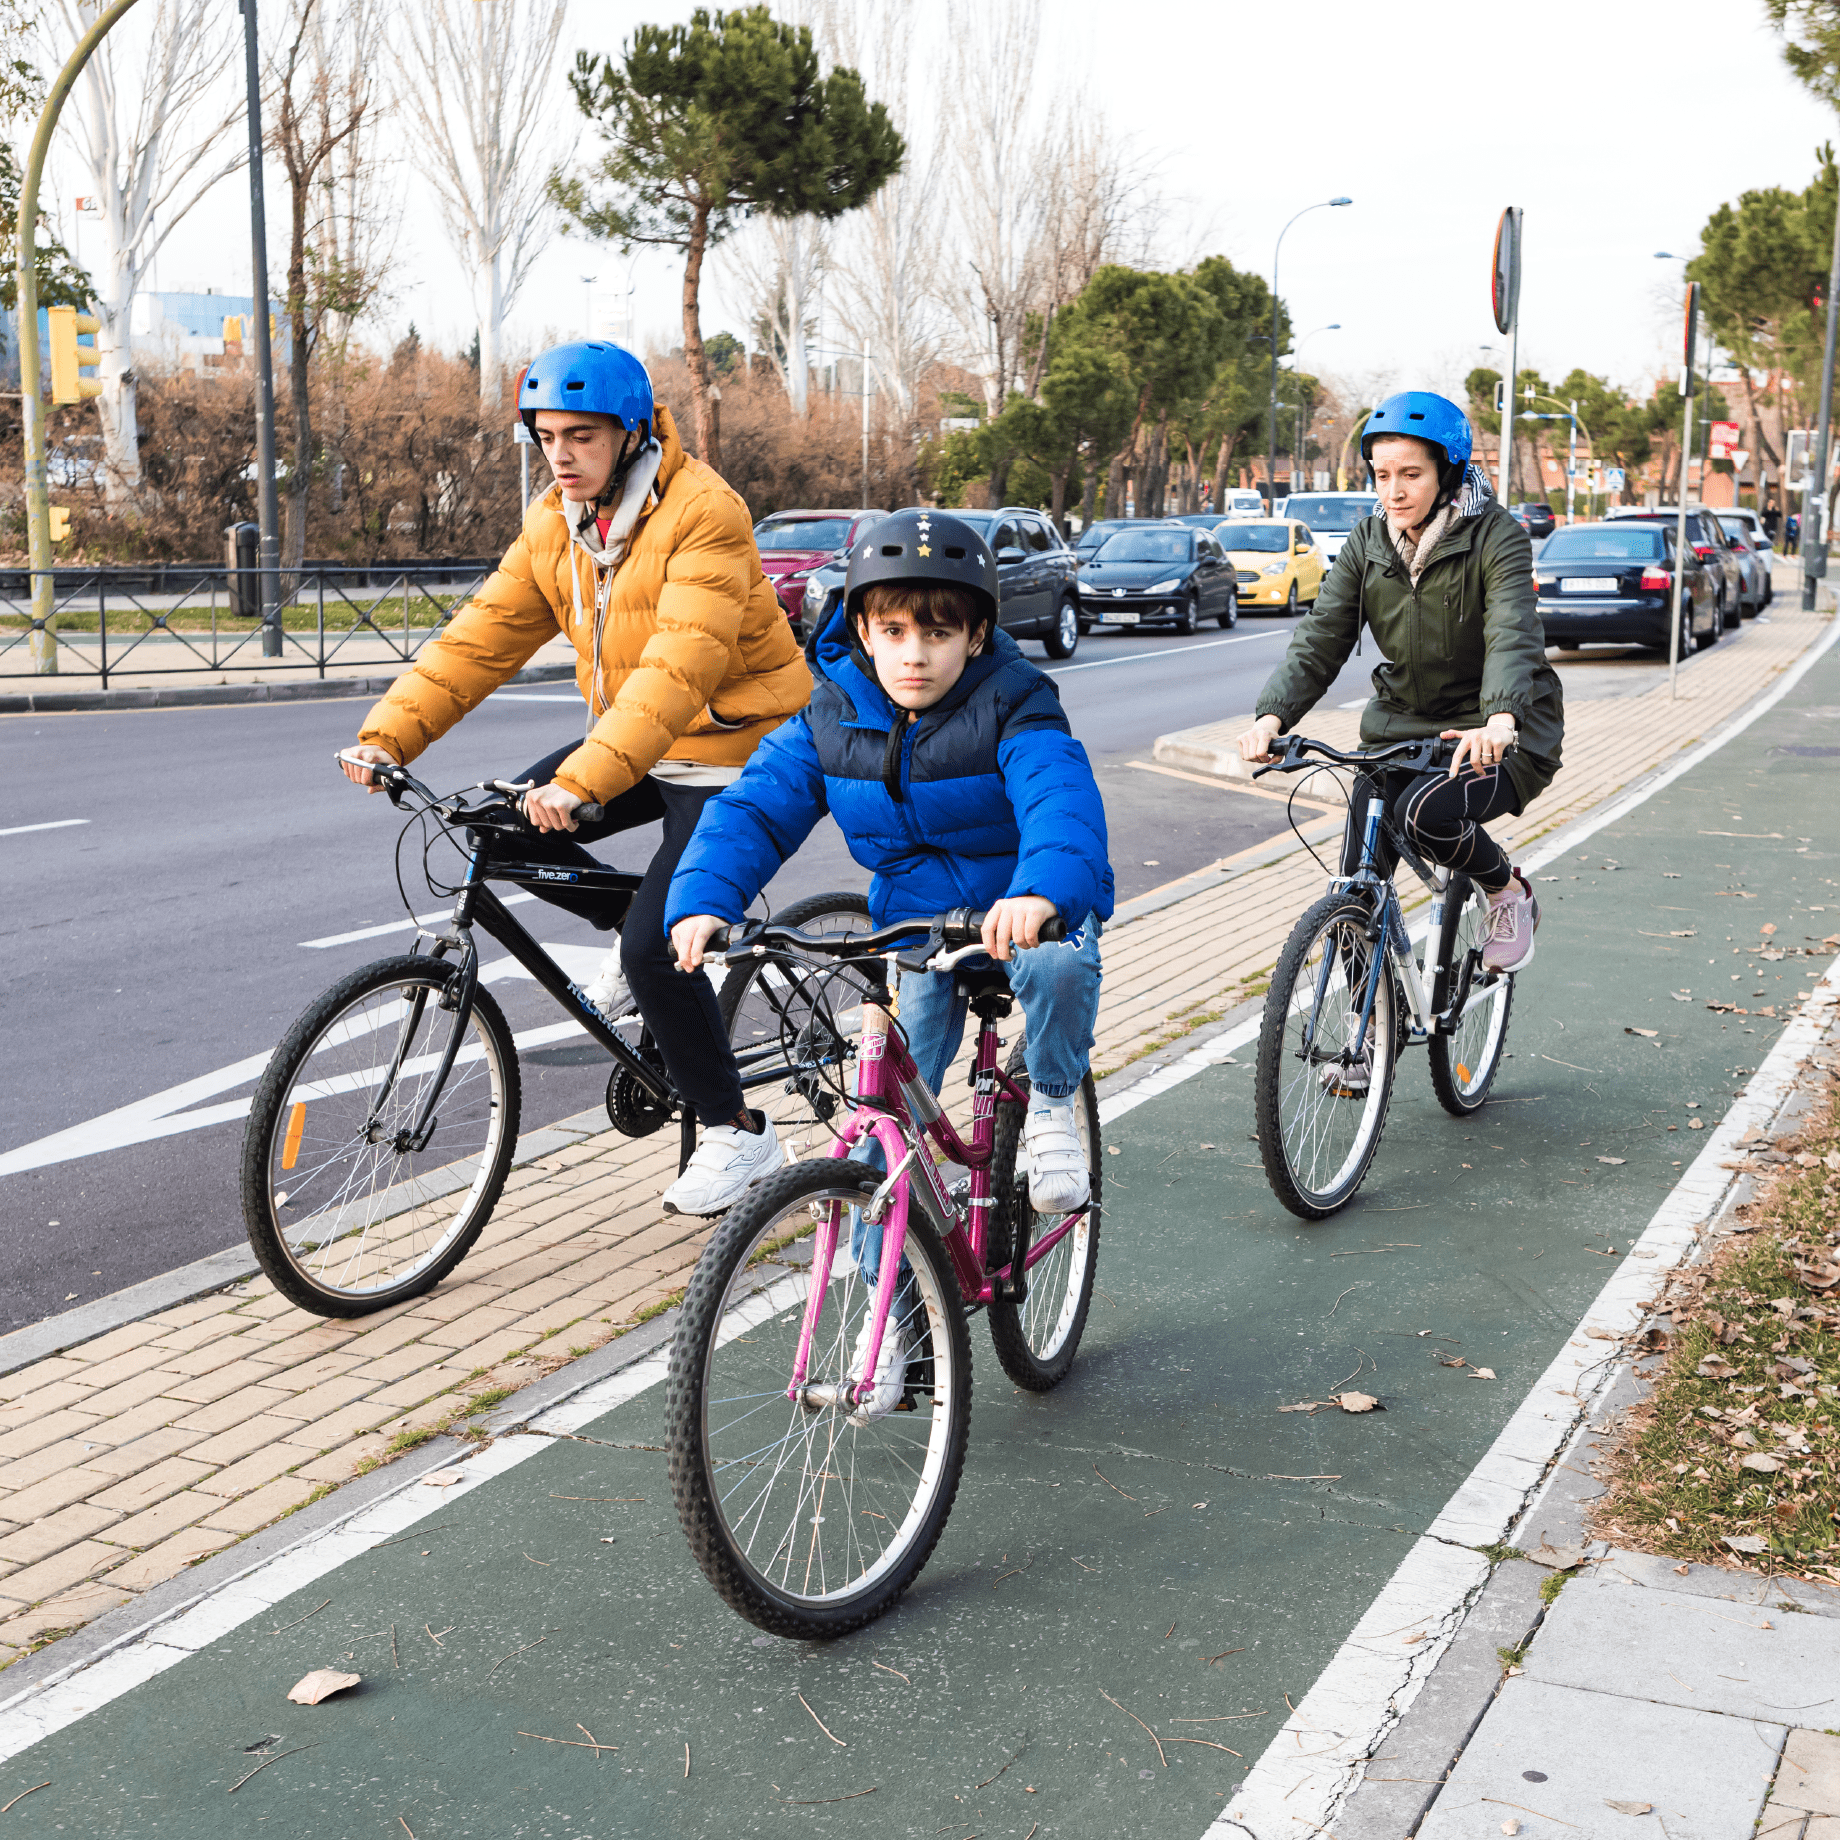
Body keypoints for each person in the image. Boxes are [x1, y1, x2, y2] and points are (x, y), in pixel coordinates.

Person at [339, 340, 811, 1217]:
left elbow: (679, 668)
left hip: (743, 751)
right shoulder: (555, 522)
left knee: (651, 944)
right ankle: (648, 929)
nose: (561, 455)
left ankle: (739, 1133)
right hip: (637, 740)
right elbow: (477, 640)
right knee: (497, 829)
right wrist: (388, 737)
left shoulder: (705, 512)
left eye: (582, 437)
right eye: (546, 437)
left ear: (632, 435)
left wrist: (584, 780)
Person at [665, 511, 1112, 1414]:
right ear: (861, 629)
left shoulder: (1013, 700)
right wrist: (704, 899)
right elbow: (757, 808)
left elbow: (1060, 797)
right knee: (881, 1140)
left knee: (1060, 970)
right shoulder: (831, 713)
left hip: (1022, 911)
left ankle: (1055, 1102)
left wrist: (1040, 892)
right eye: (894, 631)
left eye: (940, 633)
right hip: (915, 930)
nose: (915, 655)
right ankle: (899, 1331)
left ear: (977, 633)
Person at [1239, 392, 1563, 1068]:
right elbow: (1322, 637)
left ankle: (1506, 890)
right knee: (1359, 873)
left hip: (1500, 728)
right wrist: (1273, 716)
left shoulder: (1495, 535)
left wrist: (1501, 717)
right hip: (1398, 728)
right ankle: (1363, 1027)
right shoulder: (1368, 540)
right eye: (1382, 475)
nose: (1394, 490)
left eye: (1409, 474)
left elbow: (1511, 631)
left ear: (1446, 470)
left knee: (1424, 816)